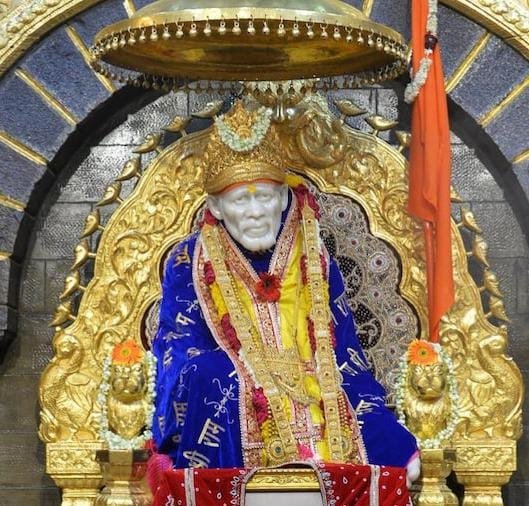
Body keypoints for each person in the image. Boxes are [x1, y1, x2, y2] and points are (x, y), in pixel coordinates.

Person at [151, 101, 419, 477]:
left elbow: (344, 350)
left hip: (317, 387)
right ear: (216, 206)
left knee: (394, 451)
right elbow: (180, 352)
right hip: (234, 397)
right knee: (208, 376)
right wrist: (246, 374)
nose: (255, 211)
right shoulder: (189, 260)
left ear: (281, 198)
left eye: (263, 196)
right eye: (241, 200)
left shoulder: (314, 253)